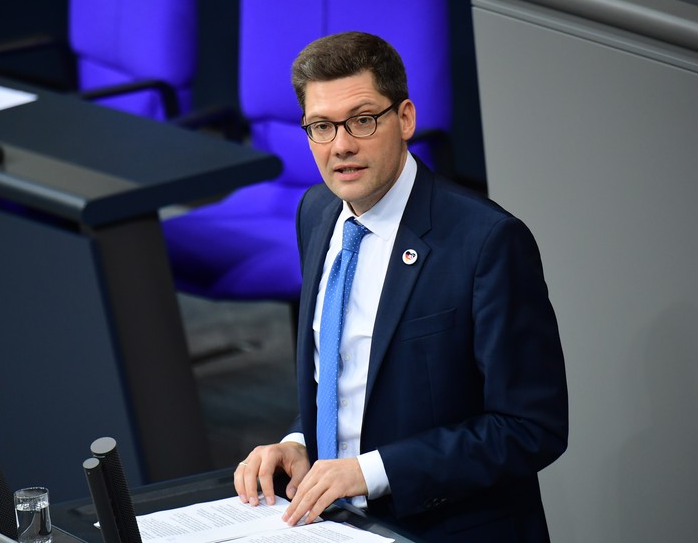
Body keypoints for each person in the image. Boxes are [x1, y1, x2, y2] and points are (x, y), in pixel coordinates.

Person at [232, 31, 568, 542]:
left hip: (444, 527)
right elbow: (344, 375)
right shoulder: (316, 213)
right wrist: (300, 442)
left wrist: (371, 471)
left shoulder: (487, 243)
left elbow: (530, 427)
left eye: (362, 120)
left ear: (405, 119)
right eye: (321, 126)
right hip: (333, 524)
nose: (341, 145)